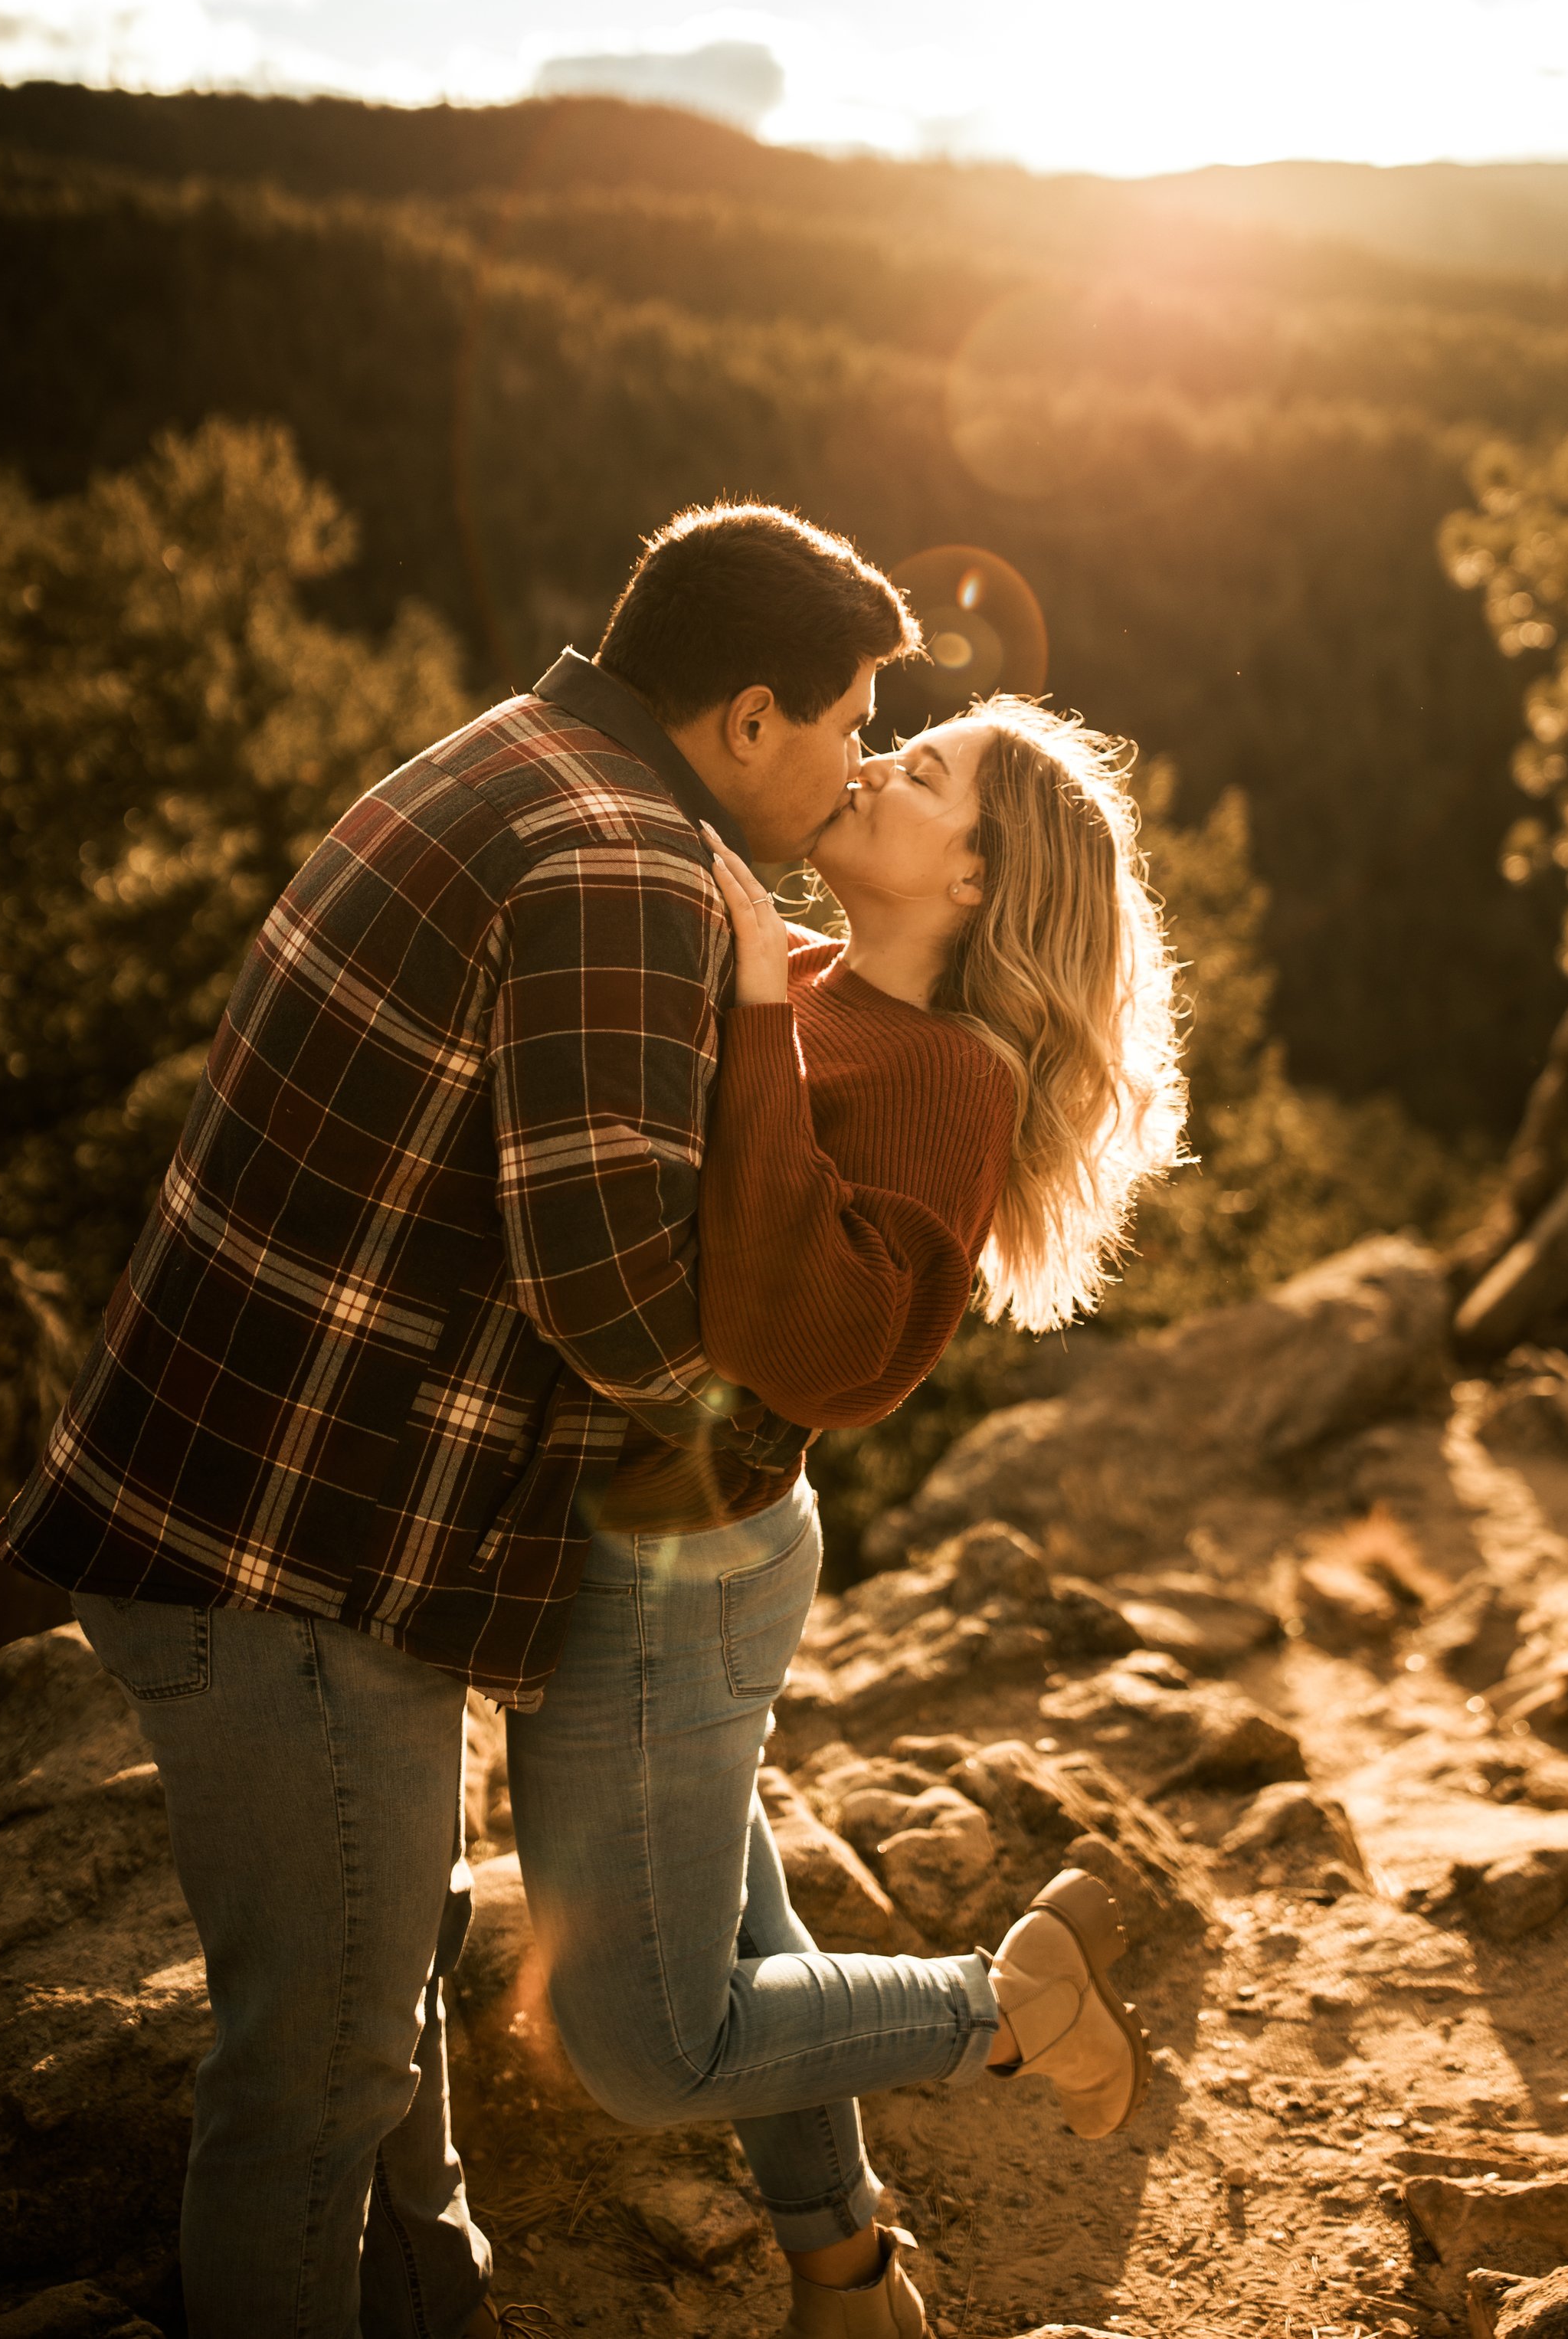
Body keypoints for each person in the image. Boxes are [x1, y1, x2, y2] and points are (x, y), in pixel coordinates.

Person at [0, 502, 921, 2339]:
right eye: (845, 722)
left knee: (378, 2009)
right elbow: (611, 1302)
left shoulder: (518, 758)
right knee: (316, 2082)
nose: (860, 765)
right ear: (745, 718)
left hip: (268, 1517)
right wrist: (801, 1354)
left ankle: (435, 2308)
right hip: (287, 1562)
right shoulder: (619, 869)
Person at [503, 692, 1188, 2339]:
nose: (873, 765)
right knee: (737, 1931)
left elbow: (792, 1340)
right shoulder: (804, 977)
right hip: (646, 1533)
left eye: (923, 772)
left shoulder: (944, 1074)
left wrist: (746, 1003)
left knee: (651, 2045)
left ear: (972, 882)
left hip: (693, 1565)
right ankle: (846, 2271)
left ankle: (1001, 2004)